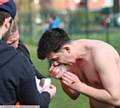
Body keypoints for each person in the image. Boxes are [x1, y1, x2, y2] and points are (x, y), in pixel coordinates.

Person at [37, 28, 120, 108]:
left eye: (55, 59)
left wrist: (80, 87)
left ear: (67, 49)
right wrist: (62, 77)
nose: (55, 64)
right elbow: (73, 95)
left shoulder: (101, 55)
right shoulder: (70, 59)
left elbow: (116, 99)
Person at [0, 0, 56, 107]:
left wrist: (41, 78)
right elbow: (35, 105)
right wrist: (47, 95)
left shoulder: (20, 52)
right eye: (11, 42)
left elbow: (30, 68)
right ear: (7, 23)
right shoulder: (15, 60)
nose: (16, 45)